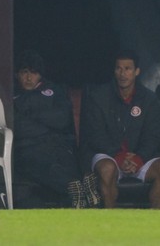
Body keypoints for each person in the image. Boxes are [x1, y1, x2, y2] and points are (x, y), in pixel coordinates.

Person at [78, 50, 160, 208]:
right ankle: (111, 222)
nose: (122, 74)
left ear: (137, 71)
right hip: (109, 155)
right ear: (114, 70)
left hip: (139, 158)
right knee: (107, 169)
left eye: (128, 69)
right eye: (119, 68)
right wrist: (118, 155)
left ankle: (155, 223)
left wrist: (139, 157)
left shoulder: (150, 99)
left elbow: (153, 136)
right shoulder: (98, 96)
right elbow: (95, 135)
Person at [13, 50, 99, 208]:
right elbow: (18, 127)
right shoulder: (13, 95)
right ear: (17, 74)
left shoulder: (55, 90)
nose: (29, 78)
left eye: (34, 73)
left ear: (40, 75)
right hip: (28, 148)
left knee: (68, 159)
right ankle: (74, 187)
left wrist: (32, 114)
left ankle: (82, 190)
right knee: (47, 166)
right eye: (24, 72)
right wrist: (46, 124)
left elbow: (62, 118)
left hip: (57, 144)